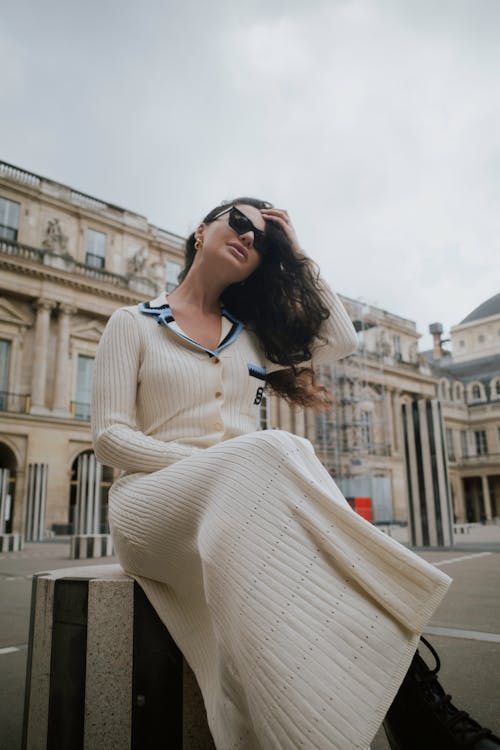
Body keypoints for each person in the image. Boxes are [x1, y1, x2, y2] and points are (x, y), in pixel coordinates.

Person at [91, 199, 499, 750]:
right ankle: (421, 709)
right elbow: (110, 438)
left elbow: (342, 342)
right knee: (277, 448)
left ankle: (408, 708)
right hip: (150, 504)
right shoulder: (132, 323)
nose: (247, 238)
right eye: (237, 223)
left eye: (262, 241)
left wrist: (298, 250)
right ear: (200, 230)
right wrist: (218, 464)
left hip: (245, 503)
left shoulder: (253, 338)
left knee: (288, 504)